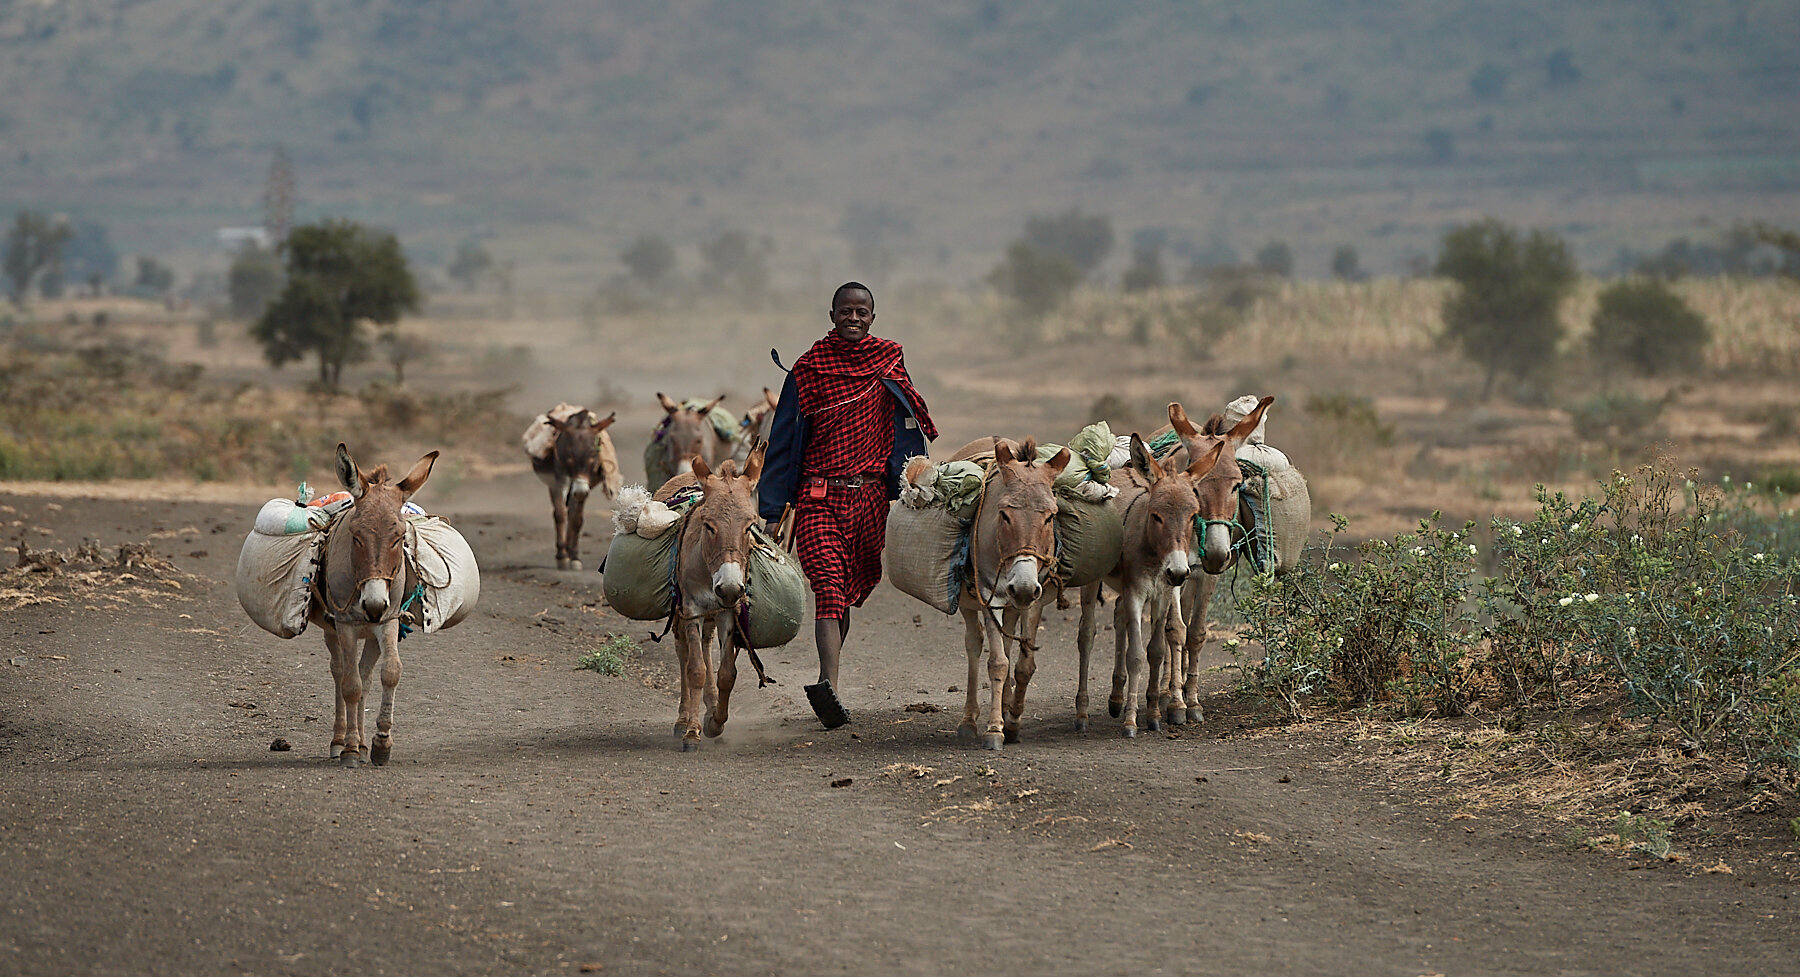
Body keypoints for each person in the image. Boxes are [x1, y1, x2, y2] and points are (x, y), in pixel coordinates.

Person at [760, 282, 937, 728]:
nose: (853, 318)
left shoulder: (889, 361)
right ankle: (828, 686)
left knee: (849, 589)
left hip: (871, 496)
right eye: (845, 311)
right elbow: (782, 441)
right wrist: (771, 508)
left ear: (872, 317)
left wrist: (915, 478)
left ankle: (830, 682)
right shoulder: (808, 368)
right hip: (819, 494)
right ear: (832, 314)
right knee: (828, 587)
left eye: (861, 312)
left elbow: (908, 422)